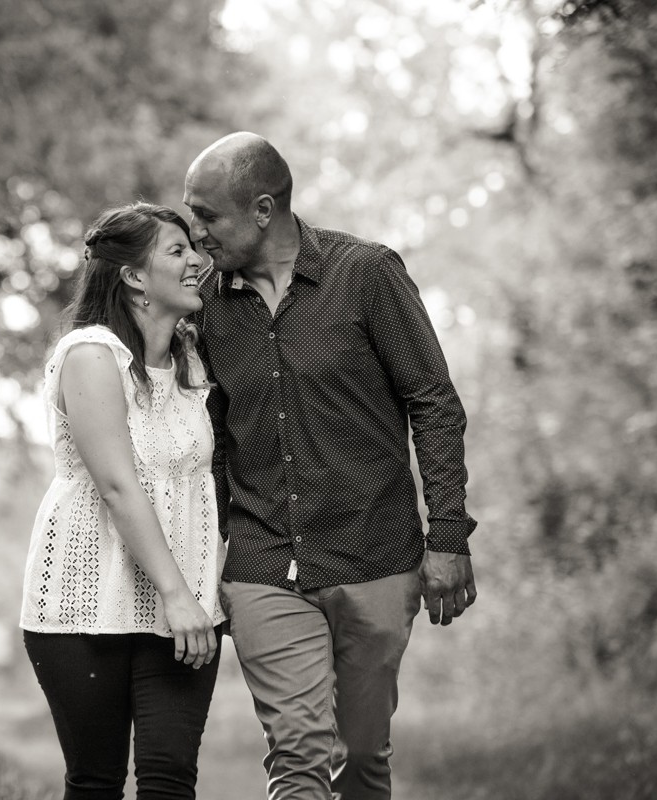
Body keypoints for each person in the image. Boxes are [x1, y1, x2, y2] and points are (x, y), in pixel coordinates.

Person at [183, 132, 479, 800]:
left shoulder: (366, 274)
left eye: (207, 216)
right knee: (297, 754)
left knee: (363, 756)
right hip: (263, 563)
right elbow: (213, 437)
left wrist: (448, 536)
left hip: (374, 553)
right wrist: (209, 548)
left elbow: (433, 402)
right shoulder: (205, 304)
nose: (196, 232)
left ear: (263, 209)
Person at [19, 201, 226, 800]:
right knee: (96, 782)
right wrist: (178, 595)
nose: (197, 261)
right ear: (134, 276)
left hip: (185, 608)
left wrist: (204, 591)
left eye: (194, 249)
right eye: (178, 251)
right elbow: (117, 486)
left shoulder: (195, 362)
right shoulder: (91, 354)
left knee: (170, 781)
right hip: (84, 604)